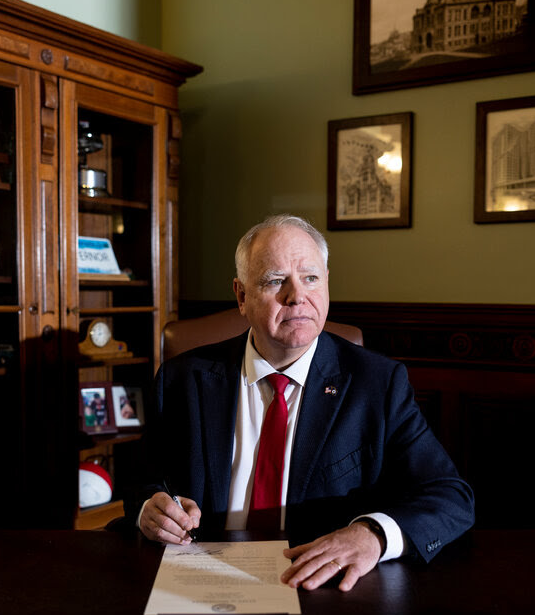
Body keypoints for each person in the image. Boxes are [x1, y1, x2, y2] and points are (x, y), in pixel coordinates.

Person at [136, 214, 474, 592]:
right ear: (242, 296)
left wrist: (373, 535)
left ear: (327, 283)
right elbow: (144, 482)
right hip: (205, 583)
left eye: (310, 278)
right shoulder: (182, 379)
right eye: (275, 280)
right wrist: (149, 509)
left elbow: (449, 495)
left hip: (320, 589)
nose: (297, 296)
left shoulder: (376, 384)